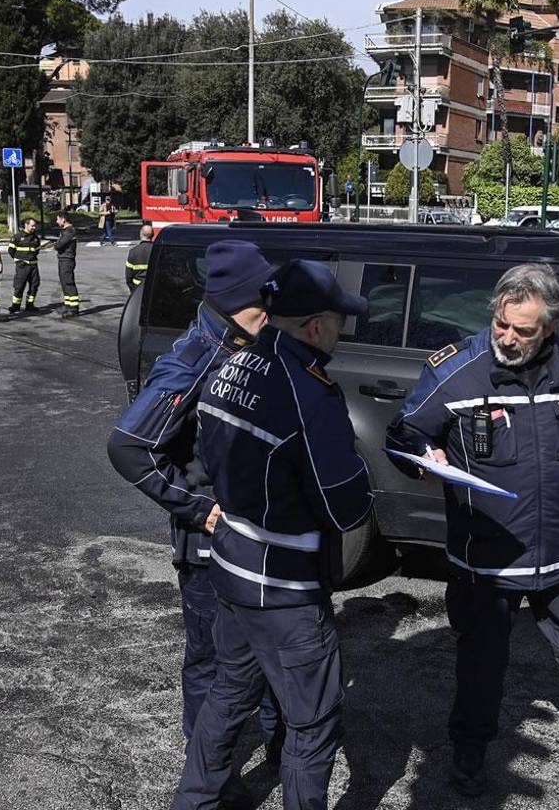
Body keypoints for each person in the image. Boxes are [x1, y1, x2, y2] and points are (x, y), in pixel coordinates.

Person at [385, 263, 559, 799]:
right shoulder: (456, 373)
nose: (508, 339)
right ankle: (468, 758)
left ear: (551, 327)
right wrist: (423, 456)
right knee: (481, 665)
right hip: (488, 561)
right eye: (501, 325)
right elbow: (401, 437)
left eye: (523, 330)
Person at [173, 259, 373, 810]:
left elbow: (207, 456)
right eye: (338, 320)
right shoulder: (312, 392)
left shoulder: (232, 364)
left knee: (229, 693)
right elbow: (343, 506)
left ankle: (194, 801)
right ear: (314, 326)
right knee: (313, 721)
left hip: (229, 563)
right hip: (282, 582)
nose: (341, 330)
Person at [107, 241, 282, 802]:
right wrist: (198, 508)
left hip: (258, 538)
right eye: (265, 298)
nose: (274, 308)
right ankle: (211, 772)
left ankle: (279, 745)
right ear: (237, 302)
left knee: (271, 649)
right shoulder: (193, 357)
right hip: (209, 549)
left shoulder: (242, 341)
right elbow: (129, 446)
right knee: (211, 661)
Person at [8, 217, 43, 315]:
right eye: (32, 225)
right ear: (26, 225)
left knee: (34, 285)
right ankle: (15, 306)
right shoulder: (17, 237)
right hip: (22, 265)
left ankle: (30, 305)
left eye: (35, 225)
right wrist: (18, 260)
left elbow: (37, 251)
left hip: (33, 265)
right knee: (19, 286)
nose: (34, 227)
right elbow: (11, 251)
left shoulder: (35, 238)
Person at [53, 213, 80, 316]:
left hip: (67, 260)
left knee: (68, 283)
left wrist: (56, 244)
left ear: (63, 220)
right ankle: (68, 305)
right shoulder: (65, 231)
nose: (57, 222)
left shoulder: (69, 231)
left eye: (58, 219)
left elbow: (59, 245)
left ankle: (73, 308)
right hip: (63, 259)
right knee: (64, 283)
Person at [125, 222, 154, 291]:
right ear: (153, 235)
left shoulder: (133, 251)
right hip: (153, 289)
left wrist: (133, 290)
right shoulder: (157, 251)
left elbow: (128, 276)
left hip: (137, 287)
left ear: (141, 235)